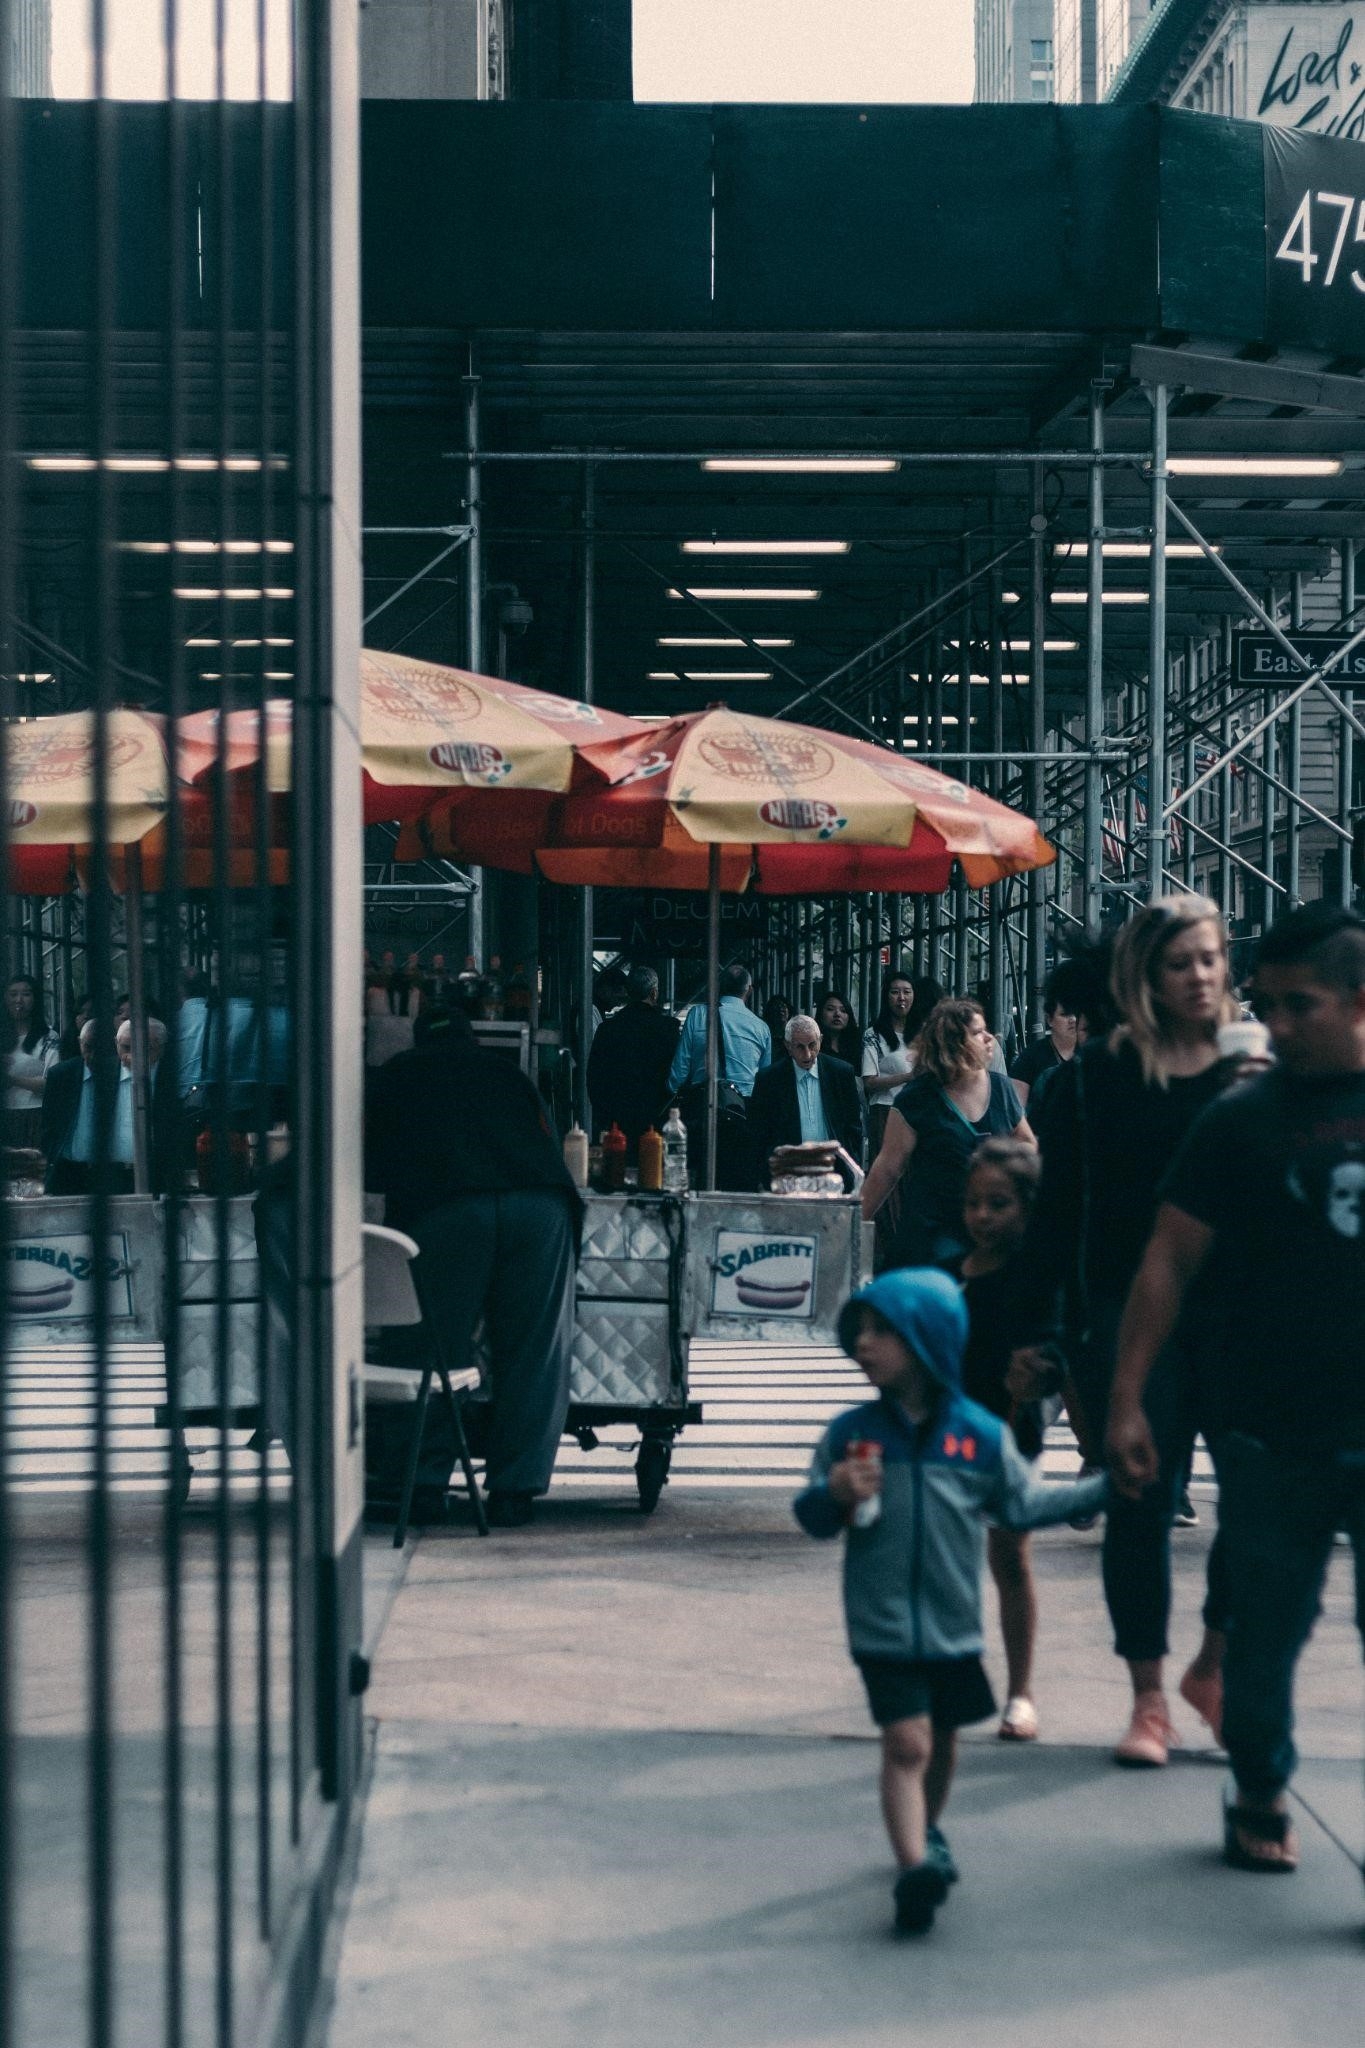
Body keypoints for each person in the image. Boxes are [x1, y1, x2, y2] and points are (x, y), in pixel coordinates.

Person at [1107, 905, 1365, 1874]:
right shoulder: (1240, 1120)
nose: (1277, 1024)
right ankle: (1258, 1777)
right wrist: (1128, 1394)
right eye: (1269, 1004)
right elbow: (1166, 1259)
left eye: (1301, 1005)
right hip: (1273, 1429)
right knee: (1264, 1628)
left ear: (1359, 1000)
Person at [794, 1268, 1107, 1934]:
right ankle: (914, 1869)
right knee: (906, 1744)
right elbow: (813, 1517)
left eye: (882, 1331)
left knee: (940, 1742)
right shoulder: (851, 1434)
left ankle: (927, 1831)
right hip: (880, 1627)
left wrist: (1103, 1491)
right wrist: (835, 1493)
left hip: (953, 1626)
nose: (864, 1345)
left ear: (929, 1341)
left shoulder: (977, 1435)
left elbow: (1023, 1504)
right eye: (861, 1332)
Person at [1008, 897, 1244, 1768]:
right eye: (1179, 962)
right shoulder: (1097, 1077)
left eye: (1210, 960)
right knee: (1138, 1503)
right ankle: (1148, 1698)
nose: (1198, 976)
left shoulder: (1247, 1071)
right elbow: (1057, 1212)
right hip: (1124, 1314)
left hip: (1239, 1316)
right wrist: (1035, 1330)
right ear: (1145, 976)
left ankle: (1210, 1667)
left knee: (1257, 1509)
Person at [365, 1004, 579, 1528]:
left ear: (417, 1041)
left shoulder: (396, 1076)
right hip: (540, 1207)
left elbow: (370, 1165)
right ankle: (515, 1491)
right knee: (533, 1349)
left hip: (451, 1211)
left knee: (428, 1345)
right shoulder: (509, 1074)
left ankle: (423, 1485)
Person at [947, 1140, 1053, 1743]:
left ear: (1028, 1207)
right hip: (953, 1430)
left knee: (1009, 1555)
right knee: (951, 1557)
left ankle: (1020, 1692)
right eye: (973, 1203)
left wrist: (1043, 1371)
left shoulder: (1034, 1276)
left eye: (999, 1204)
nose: (982, 1216)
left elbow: (1059, 1348)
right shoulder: (951, 1270)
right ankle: (952, 1671)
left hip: (1012, 1429)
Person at [861, 999, 1034, 1270]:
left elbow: (1026, 1146)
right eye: (978, 1032)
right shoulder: (917, 1098)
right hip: (931, 1238)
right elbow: (887, 1169)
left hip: (987, 1235)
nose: (990, 1038)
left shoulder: (1001, 1087)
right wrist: (852, 1223)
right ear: (954, 1042)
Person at [667, 962, 772, 1189]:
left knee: (700, 1182)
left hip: (703, 1111)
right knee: (738, 1184)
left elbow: (677, 1075)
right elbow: (765, 1081)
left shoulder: (697, 1015)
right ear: (749, 990)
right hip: (744, 1114)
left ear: (719, 986)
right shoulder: (761, 1027)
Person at [42, 1015, 173, 1194]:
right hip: (86, 1174)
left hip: (145, 1176)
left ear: (160, 1048)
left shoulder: (170, 1080)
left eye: (143, 1048)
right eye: (125, 1047)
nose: (131, 1056)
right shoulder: (102, 1073)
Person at [745, 1013, 865, 1187]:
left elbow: (853, 1124)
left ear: (820, 1040)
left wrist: (849, 1157)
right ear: (788, 1046)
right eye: (799, 1047)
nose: (807, 1054)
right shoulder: (769, 1079)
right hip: (787, 1170)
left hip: (832, 1167)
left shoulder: (841, 1073)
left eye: (812, 1045)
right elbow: (759, 1130)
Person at [586, 964, 681, 1154]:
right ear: (654, 993)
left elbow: (594, 1076)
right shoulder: (669, 1028)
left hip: (617, 1119)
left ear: (628, 992)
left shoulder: (608, 1029)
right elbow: (676, 1073)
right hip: (657, 1118)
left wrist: (605, 1114)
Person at [1009, 960, 1087, 1112]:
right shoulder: (1030, 1058)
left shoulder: (1089, 1052)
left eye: (1076, 1014)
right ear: (1049, 1019)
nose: (1072, 1019)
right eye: (1065, 1015)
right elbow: (1015, 1110)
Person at [3, 975, 60, 1154]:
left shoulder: (49, 1038)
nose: (19, 1000)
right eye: (13, 994)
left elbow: (51, 1083)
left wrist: (11, 1079)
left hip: (36, 1115)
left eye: (26, 994)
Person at [861, 970, 917, 1147]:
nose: (901, 997)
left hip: (917, 1111)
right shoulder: (873, 1035)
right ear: (886, 997)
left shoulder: (923, 1033)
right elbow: (869, 1082)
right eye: (895, 992)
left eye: (907, 992)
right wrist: (908, 1077)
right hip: (885, 1111)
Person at [816, 989, 861, 1067]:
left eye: (843, 1010)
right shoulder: (812, 1045)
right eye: (830, 1009)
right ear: (820, 1013)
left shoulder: (858, 1045)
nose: (837, 1014)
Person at [761, 992, 793, 1064]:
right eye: (776, 1007)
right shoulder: (765, 1035)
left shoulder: (795, 1034)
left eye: (783, 1006)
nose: (780, 1009)